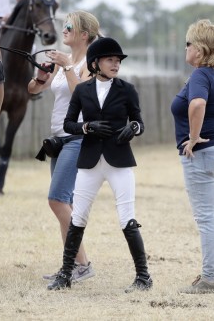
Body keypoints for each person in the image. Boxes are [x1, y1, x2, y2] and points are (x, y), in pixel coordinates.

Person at [46, 37, 153, 292]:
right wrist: (87, 126)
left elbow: (139, 122)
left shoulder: (127, 89)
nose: (115, 64)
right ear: (95, 63)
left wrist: (133, 128)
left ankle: (143, 277)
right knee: (78, 216)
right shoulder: (83, 90)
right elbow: (69, 124)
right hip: (90, 160)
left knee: (127, 217)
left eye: (118, 61)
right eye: (110, 60)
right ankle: (66, 273)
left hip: (119, 161)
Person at [28, 10, 101, 283]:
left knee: (57, 200)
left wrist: (68, 66)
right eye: (64, 25)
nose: (64, 29)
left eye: (70, 26)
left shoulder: (90, 63)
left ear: (84, 34)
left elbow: (82, 94)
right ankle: (72, 266)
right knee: (65, 205)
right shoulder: (62, 62)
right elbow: (32, 91)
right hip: (58, 139)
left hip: (78, 138)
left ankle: (81, 264)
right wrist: (40, 77)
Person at [171, 19, 214, 294]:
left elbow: (198, 103)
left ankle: (211, 278)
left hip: (202, 154)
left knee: (206, 218)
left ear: (199, 50)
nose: (186, 49)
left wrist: (193, 136)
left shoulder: (201, 75)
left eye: (188, 44)